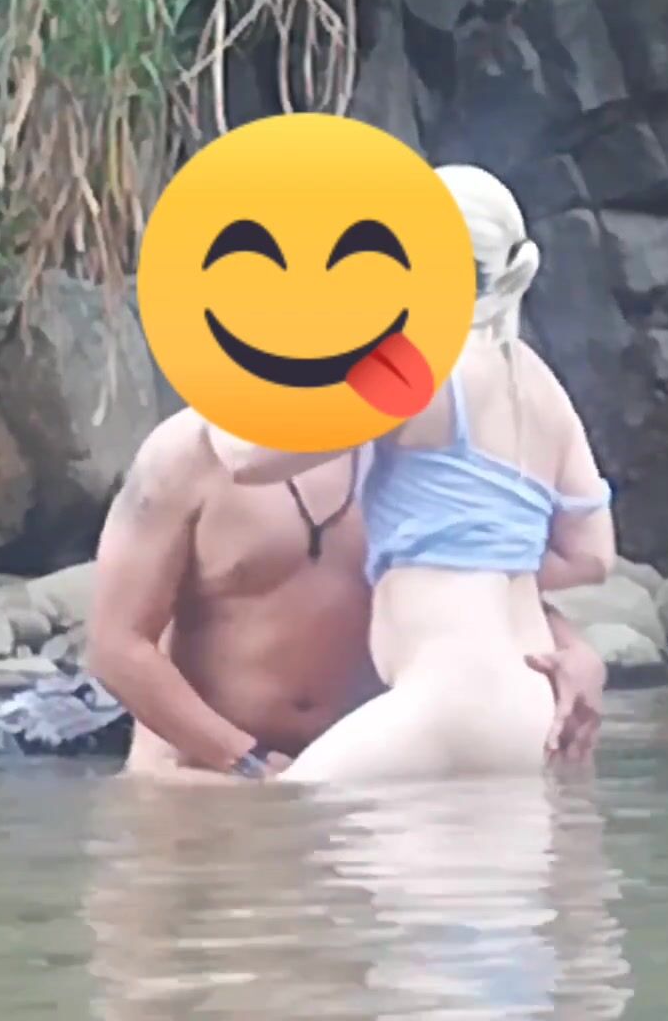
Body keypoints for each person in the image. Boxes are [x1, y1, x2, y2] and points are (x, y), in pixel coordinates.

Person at [216, 163, 615, 785]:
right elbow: (592, 556)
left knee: (285, 818)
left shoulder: (414, 363)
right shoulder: (542, 386)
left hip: (450, 698)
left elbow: (248, 457)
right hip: (531, 708)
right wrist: (476, 554)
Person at [0, 412, 606, 778]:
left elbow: (482, 580)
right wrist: (245, 759)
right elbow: (117, 644)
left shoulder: (413, 452)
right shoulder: (185, 452)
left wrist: (573, 649)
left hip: (362, 773)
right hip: (198, 782)